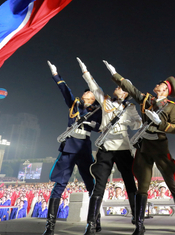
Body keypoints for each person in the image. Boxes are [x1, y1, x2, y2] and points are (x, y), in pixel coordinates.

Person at [104, 60, 175, 235]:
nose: (157, 85)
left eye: (161, 85)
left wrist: (161, 124)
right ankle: (140, 225)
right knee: (142, 186)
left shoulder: (171, 107)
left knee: (171, 184)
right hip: (144, 147)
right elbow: (131, 88)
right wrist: (115, 74)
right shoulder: (146, 100)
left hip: (159, 146)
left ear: (166, 90)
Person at [78, 58, 142, 234]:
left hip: (123, 149)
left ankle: (138, 221)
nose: (117, 88)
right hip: (106, 148)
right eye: (118, 86)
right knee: (99, 185)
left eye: (121, 88)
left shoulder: (130, 108)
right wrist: (85, 71)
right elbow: (93, 86)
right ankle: (91, 224)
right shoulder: (105, 100)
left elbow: (138, 124)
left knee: (130, 183)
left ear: (126, 93)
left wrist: (129, 120)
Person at [45, 61, 101, 235]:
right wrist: (56, 75)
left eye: (90, 93)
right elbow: (65, 91)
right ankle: (50, 227)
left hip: (83, 148)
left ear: (94, 98)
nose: (86, 93)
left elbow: (100, 126)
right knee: (59, 185)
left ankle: (94, 223)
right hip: (69, 147)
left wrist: (90, 122)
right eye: (85, 92)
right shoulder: (74, 104)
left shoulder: (97, 109)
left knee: (91, 186)